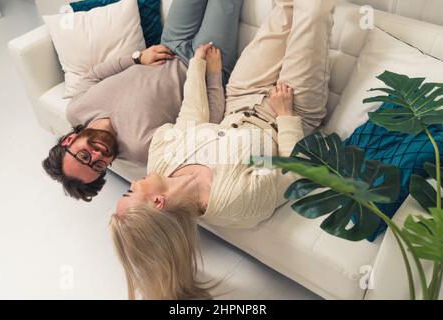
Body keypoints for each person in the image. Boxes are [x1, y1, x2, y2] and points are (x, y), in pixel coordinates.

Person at [110, 0, 336, 300]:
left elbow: (190, 115)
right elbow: (292, 173)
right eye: (131, 193)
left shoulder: (160, 161)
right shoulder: (234, 203)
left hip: (241, 93)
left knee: (285, 8)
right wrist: (285, 117)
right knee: (315, 9)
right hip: (289, 110)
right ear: (158, 202)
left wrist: (197, 67)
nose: (133, 182)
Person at [42, 0, 243, 201]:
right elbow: (205, 127)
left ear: (69, 140)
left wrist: (137, 58)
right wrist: (215, 74)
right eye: (98, 166)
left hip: (170, 42)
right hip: (205, 63)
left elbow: (94, 75)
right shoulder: (142, 149)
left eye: (84, 156)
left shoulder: (76, 110)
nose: (97, 156)